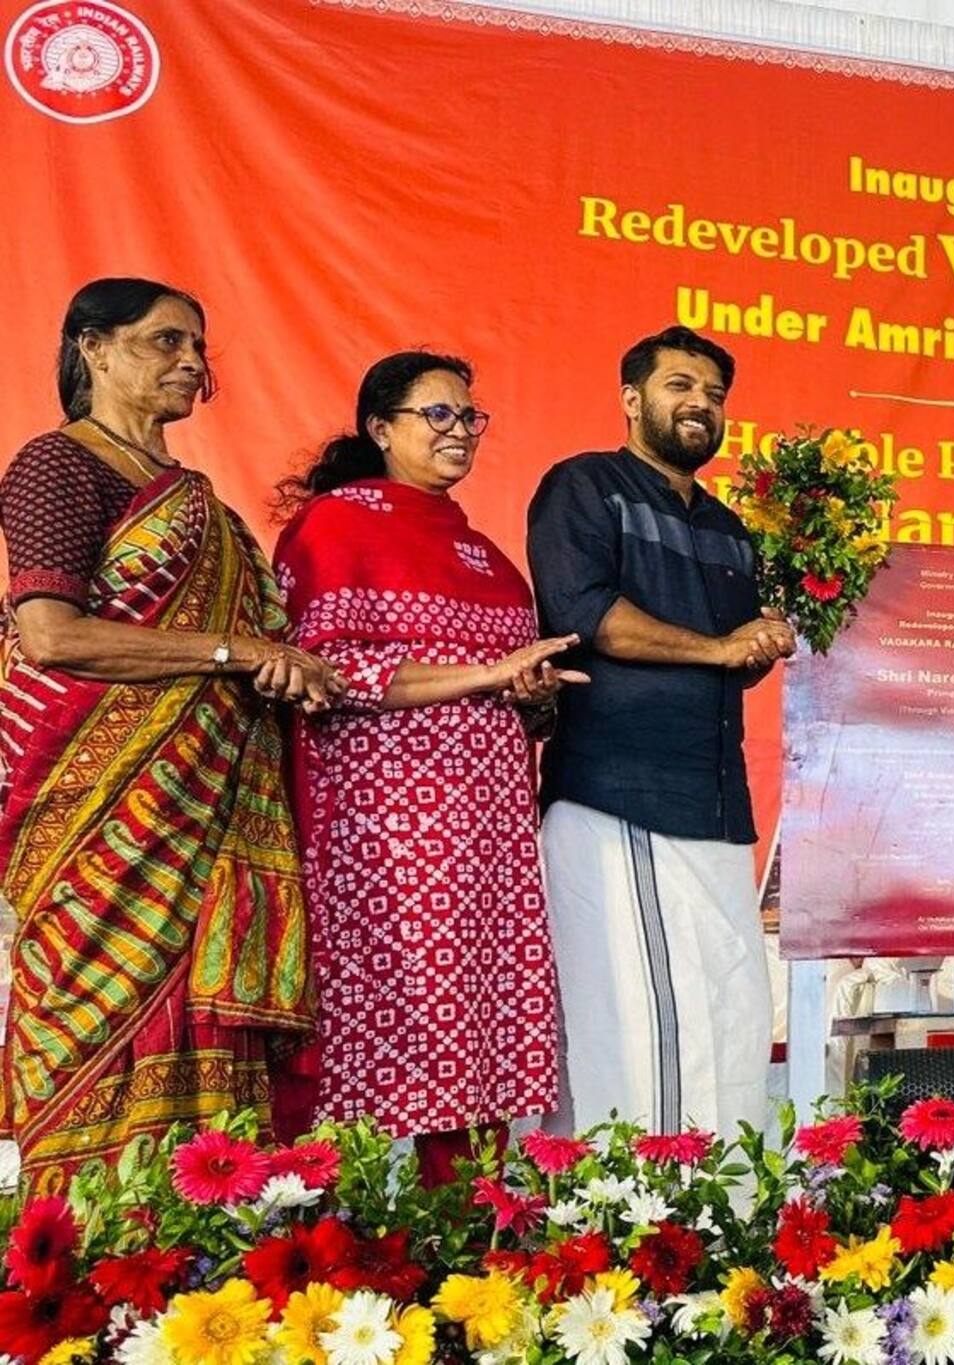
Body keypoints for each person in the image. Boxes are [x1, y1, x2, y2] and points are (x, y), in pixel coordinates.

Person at [0, 278, 338, 1190]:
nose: (192, 361)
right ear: (93, 350)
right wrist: (236, 650)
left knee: (207, 1037)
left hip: (211, 814)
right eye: (164, 341)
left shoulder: (208, 509)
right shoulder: (56, 465)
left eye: (198, 345)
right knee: (91, 1037)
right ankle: (78, 1281)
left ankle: (201, 1265)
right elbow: (51, 635)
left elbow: (251, 652)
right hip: (98, 831)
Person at [272, 352, 575, 1184]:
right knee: (375, 1035)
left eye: (470, 417)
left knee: (474, 1036)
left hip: (487, 841)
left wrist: (532, 694)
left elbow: (516, 698)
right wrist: (483, 673)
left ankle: (470, 1244)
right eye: (437, 414)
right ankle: (334, 1252)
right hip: (385, 838)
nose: (460, 432)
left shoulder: (485, 553)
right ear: (381, 428)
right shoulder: (336, 525)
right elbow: (323, 675)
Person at [527, 325, 796, 1137]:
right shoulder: (585, 486)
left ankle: (726, 1214)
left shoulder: (728, 528)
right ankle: (639, 1209)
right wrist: (719, 646)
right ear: (633, 398)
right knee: (645, 1025)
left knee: (735, 1006)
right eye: (681, 386)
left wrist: (759, 644)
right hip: (622, 797)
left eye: (714, 395)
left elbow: (727, 662)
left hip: (713, 799)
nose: (700, 405)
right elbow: (587, 617)